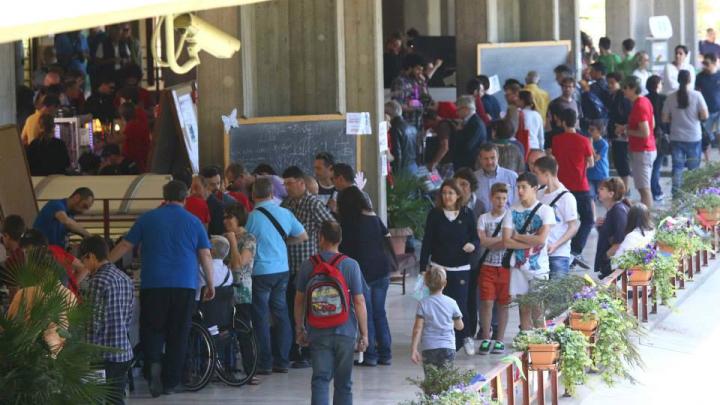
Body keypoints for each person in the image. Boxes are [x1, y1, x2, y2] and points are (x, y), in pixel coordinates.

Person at [108, 180, 215, 397]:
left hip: (153, 283)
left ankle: (153, 367)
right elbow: (205, 254)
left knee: (152, 329)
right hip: (184, 284)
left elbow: (126, 245)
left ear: (164, 197)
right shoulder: (194, 222)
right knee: (178, 333)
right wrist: (211, 283)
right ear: (185, 198)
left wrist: (105, 262)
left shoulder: (147, 219)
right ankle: (170, 382)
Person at [294, 220, 368, 405]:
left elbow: (299, 300)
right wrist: (364, 334)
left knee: (320, 379)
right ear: (340, 239)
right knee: (344, 383)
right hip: (346, 331)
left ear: (321, 238)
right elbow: (359, 301)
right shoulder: (351, 265)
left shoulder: (307, 265)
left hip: (317, 331)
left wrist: (299, 328)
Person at [246, 176, 308, 374]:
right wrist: (283, 242)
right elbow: (303, 235)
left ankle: (264, 363)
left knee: (261, 316)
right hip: (282, 270)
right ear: (272, 194)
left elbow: (246, 243)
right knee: (281, 314)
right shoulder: (284, 212)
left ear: (253, 195)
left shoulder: (251, 217)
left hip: (261, 273)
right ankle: (282, 361)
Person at [281, 166, 335, 368]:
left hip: (309, 265)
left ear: (301, 183)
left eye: (290, 183)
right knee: (292, 309)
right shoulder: (285, 204)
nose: (286, 187)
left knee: (309, 310)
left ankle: (310, 350)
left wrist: (325, 252)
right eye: (284, 184)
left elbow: (331, 225)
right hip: (288, 266)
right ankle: (295, 349)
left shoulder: (312, 203)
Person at [420, 179, 479, 354]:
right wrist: (423, 267)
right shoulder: (435, 214)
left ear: (458, 195)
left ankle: (465, 336)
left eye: (451, 193)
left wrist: (472, 245)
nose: (447, 196)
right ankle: (443, 338)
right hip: (439, 267)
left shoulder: (468, 214)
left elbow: (476, 237)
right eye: (444, 193)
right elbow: (427, 241)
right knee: (438, 304)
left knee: (460, 304)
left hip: (461, 268)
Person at [337, 186, 393, 367]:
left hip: (363, 273)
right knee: (379, 313)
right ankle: (385, 353)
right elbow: (387, 235)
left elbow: (345, 250)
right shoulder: (373, 218)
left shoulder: (347, 223)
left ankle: (370, 355)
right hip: (382, 270)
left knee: (365, 313)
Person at [80, 235, 134, 405]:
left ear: (91, 256)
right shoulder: (125, 278)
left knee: (94, 399)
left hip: (101, 356)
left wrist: (84, 354)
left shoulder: (97, 282)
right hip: (123, 352)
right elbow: (129, 316)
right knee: (116, 399)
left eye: (84, 260)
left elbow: (92, 323)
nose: (84, 265)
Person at [502, 172, 555, 330]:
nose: (520, 191)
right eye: (518, 187)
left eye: (523, 187)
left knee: (538, 306)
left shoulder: (545, 210)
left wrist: (518, 237)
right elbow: (506, 241)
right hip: (518, 265)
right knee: (523, 306)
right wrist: (530, 240)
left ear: (534, 188)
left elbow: (541, 240)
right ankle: (525, 339)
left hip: (538, 266)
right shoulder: (511, 211)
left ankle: (541, 340)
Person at [549, 108, 595, 269]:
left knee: (564, 220)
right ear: (576, 121)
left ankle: (564, 250)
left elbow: (553, 158)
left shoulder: (556, 140)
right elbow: (591, 162)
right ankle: (575, 250)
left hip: (562, 188)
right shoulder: (584, 141)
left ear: (561, 121)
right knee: (588, 220)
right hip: (581, 186)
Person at [223, 203, 260, 385]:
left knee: (244, 330)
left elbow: (239, 265)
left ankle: (250, 370)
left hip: (242, 291)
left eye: (230, 217)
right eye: (225, 217)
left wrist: (232, 242)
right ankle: (225, 368)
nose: (226, 221)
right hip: (224, 290)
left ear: (239, 219)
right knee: (223, 330)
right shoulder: (221, 239)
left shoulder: (249, 239)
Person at [476, 183, 510, 355]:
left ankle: (500, 340)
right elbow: (483, 241)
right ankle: (485, 336)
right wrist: (501, 240)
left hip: (505, 266)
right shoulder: (484, 218)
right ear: (491, 197)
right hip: (488, 265)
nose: (501, 201)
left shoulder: (510, 217)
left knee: (503, 304)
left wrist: (494, 240)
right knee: (486, 302)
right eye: (497, 198)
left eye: (504, 198)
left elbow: (508, 242)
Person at [663, 69, 708, 195]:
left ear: (678, 80)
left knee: (677, 167)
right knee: (693, 169)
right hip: (694, 137)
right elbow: (705, 115)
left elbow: (664, 118)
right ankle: (692, 195)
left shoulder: (670, 97)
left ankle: (677, 195)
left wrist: (676, 118)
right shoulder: (697, 95)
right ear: (689, 80)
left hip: (676, 136)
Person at [533, 156, 579, 279]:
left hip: (559, 254)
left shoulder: (566, 197)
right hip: (539, 253)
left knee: (557, 295)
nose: (535, 176)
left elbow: (573, 227)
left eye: (536, 173)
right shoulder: (539, 193)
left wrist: (556, 245)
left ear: (546, 174)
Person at [410, 266, 464, 371]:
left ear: (426, 284)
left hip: (429, 347)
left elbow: (417, 328)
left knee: (431, 381)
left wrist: (414, 349)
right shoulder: (452, 303)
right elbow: (460, 326)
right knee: (445, 380)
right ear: (445, 283)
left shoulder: (423, 303)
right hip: (448, 346)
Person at [619, 76, 657, 208]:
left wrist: (626, 132)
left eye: (625, 88)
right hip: (645, 149)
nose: (623, 91)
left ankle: (648, 222)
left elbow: (645, 132)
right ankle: (645, 219)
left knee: (644, 190)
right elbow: (652, 124)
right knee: (643, 189)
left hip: (643, 151)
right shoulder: (644, 101)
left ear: (633, 88)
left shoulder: (639, 105)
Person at [594, 177, 631, 278]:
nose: (598, 191)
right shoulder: (613, 210)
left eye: (602, 189)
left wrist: (605, 257)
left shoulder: (618, 211)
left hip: (614, 266)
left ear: (611, 194)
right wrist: (599, 227)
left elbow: (619, 241)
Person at [196, 235, 234, 331]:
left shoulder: (200, 269)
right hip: (222, 318)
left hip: (202, 314)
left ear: (211, 251)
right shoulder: (228, 273)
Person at [606, 71, 633, 190]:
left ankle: (625, 188)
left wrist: (622, 128)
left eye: (612, 83)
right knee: (619, 160)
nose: (610, 85)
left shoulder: (621, 97)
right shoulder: (614, 96)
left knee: (622, 161)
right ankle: (624, 187)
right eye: (609, 83)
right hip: (616, 133)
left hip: (621, 133)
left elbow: (625, 114)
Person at [474, 143, 517, 214]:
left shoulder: (512, 177)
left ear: (498, 157)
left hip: (507, 221)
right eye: (486, 159)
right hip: (481, 222)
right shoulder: (474, 178)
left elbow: (518, 203)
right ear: (480, 159)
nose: (489, 162)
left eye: (492, 158)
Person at [646, 75, 669, 201]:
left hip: (647, 135)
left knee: (650, 165)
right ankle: (655, 191)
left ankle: (653, 189)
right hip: (660, 136)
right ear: (657, 85)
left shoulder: (644, 99)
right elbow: (665, 119)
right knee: (657, 165)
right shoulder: (663, 99)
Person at [391, 53, 426, 130]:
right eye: (418, 69)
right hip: (405, 125)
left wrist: (423, 85)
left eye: (422, 70)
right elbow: (397, 106)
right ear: (410, 68)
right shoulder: (400, 82)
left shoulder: (417, 82)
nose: (420, 72)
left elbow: (426, 101)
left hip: (418, 124)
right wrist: (417, 106)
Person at [202, 166, 239, 235]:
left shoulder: (230, 202)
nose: (216, 187)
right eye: (212, 184)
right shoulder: (199, 203)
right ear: (203, 186)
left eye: (218, 183)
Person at [696, 53, 720, 160]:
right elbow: (696, 93)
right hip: (706, 111)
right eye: (703, 63)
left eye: (707, 63)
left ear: (714, 63)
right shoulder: (700, 77)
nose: (704, 66)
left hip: (719, 110)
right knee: (706, 138)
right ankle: (708, 163)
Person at [453, 95, 486, 171]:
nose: (456, 113)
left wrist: (459, 131)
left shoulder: (475, 123)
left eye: (458, 110)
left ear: (466, 109)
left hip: (469, 165)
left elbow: (468, 146)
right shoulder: (470, 122)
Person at [385, 100, 418, 175]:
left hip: (402, 169)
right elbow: (417, 148)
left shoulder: (394, 128)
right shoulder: (412, 127)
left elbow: (397, 153)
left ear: (388, 114)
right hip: (413, 166)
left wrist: (397, 173)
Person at [116, 101, 150, 172]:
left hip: (134, 162)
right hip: (136, 158)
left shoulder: (132, 126)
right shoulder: (135, 123)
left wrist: (105, 142)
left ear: (123, 115)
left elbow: (119, 139)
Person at [586, 121, 610, 198]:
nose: (589, 132)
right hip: (590, 173)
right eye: (589, 129)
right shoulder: (587, 141)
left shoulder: (603, 144)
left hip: (601, 174)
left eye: (592, 130)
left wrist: (590, 145)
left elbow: (596, 158)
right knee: (590, 197)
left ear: (599, 131)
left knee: (603, 197)